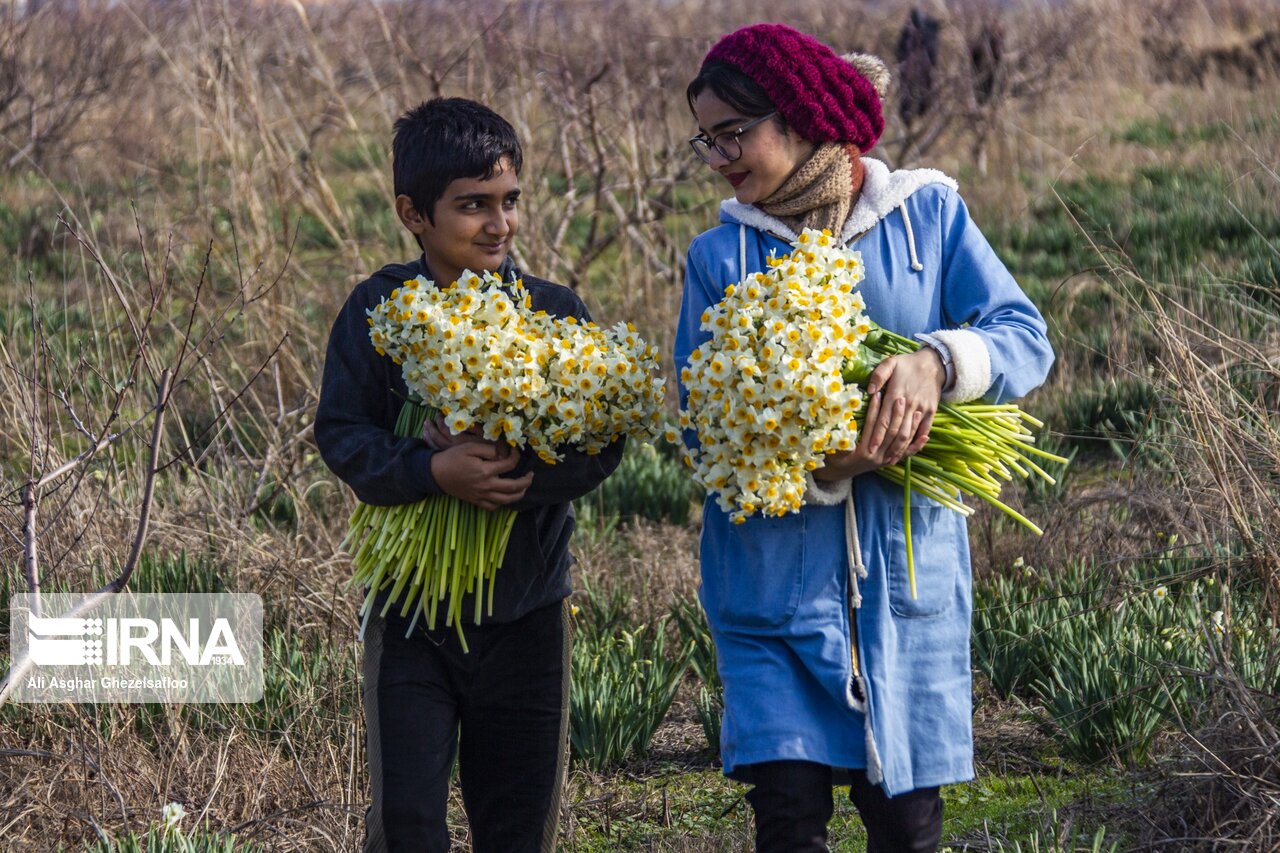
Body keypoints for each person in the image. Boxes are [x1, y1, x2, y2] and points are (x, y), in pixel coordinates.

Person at [674, 24, 1054, 853]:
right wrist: (821, 466)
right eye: (707, 138)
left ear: (801, 115)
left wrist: (936, 363)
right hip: (771, 591)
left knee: (908, 832)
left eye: (733, 133)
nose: (718, 157)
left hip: (904, 589)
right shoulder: (721, 255)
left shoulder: (926, 214)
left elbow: (1026, 336)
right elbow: (703, 426)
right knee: (788, 826)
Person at [315, 97, 623, 853]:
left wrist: (510, 468)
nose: (499, 223)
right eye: (472, 205)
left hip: (528, 612)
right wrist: (430, 469)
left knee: (518, 827)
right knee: (407, 824)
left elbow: (601, 443)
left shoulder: (551, 313)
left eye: (509, 201)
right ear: (413, 214)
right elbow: (341, 434)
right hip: (410, 614)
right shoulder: (379, 309)